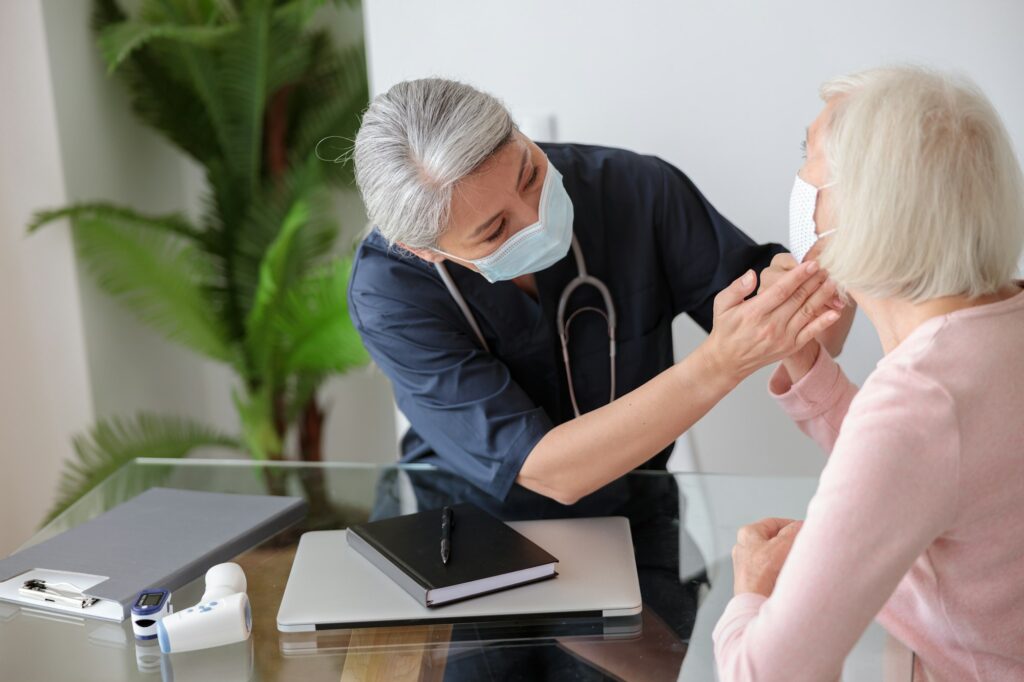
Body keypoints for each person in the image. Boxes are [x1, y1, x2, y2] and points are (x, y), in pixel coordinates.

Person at [715, 66, 1024, 682]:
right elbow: (933, 463)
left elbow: (768, 674)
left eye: (809, 159)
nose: (799, 182)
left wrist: (749, 589)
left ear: (865, 209)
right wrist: (805, 364)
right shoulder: (995, 330)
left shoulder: (918, 399)